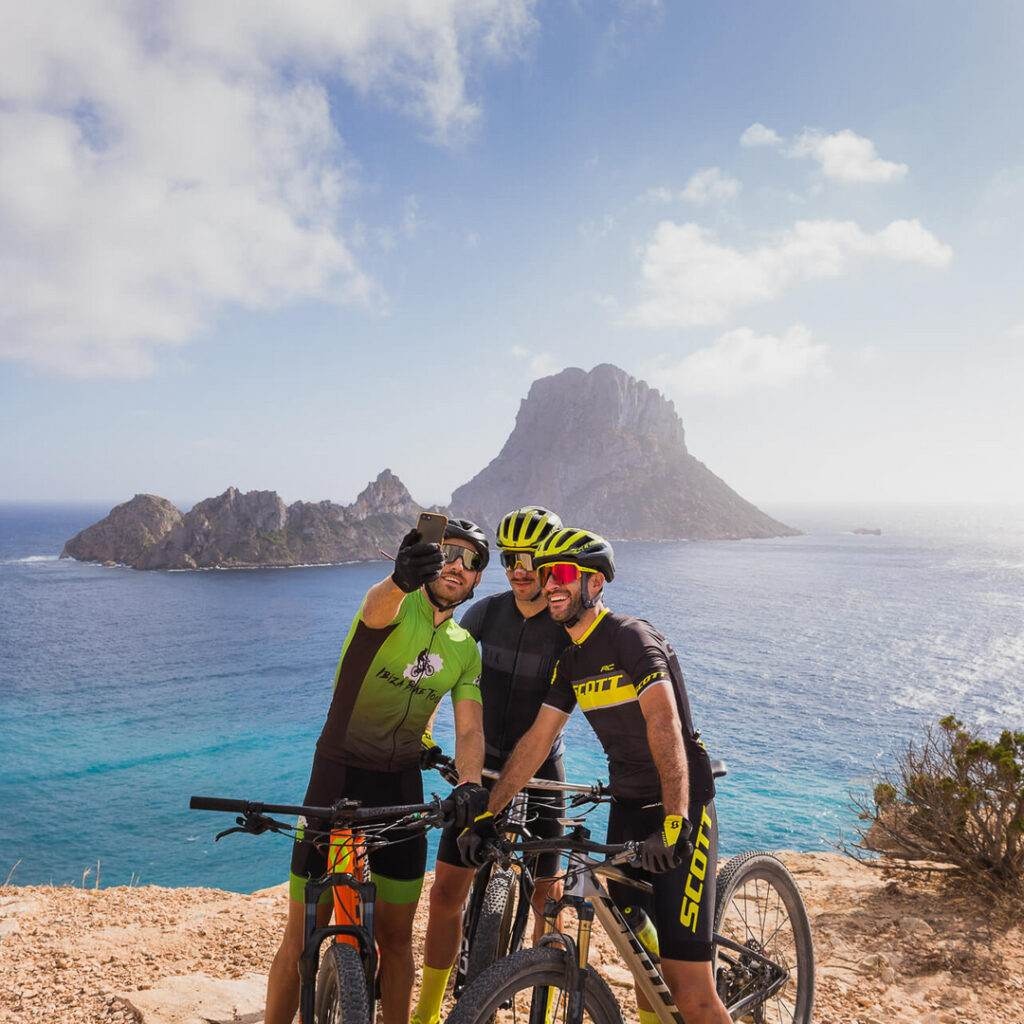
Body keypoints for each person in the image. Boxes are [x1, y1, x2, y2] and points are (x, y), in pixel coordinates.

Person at [459, 527, 733, 1024]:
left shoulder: (631, 637)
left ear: (595, 584)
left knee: (691, 989)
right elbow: (537, 742)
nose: (552, 584)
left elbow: (663, 723)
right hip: (627, 808)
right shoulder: (570, 661)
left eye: (564, 573)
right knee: (635, 941)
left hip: (681, 808)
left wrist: (674, 821)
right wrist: (486, 812)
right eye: (546, 575)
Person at [263, 520, 491, 1024]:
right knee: (300, 936)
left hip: (400, 787)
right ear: (430, 559)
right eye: (448, 552)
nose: (457, 565)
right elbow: (375, 609)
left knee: (395, 938)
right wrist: (398, 580)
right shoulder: (395, 604)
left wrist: (472, 783)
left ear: (477, 580)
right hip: (336, 777)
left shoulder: (464, 648)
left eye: (471, 560)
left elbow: (470, 728)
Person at [413, 506, 569, 1024]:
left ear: (550, 562)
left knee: (549, 896)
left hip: (544, 769)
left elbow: (551, 725)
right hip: (478, 766)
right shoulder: (487, 614)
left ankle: (543, 1009)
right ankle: (428, 1011)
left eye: (529, 558)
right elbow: (444, 669)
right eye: (508, 559)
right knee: (447, 893)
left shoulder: (565, 627)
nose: (519, 569)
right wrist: (425, 734)